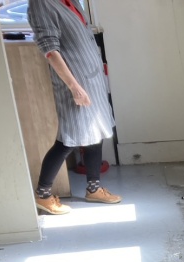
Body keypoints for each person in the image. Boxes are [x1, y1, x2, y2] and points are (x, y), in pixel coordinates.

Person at [28, 0, 121, 215]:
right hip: (75, 83)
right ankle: (43, 195)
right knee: (68, 139)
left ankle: (93, 189)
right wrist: (74, 87)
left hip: (92, 79)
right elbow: (50, 49)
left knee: (96, 133)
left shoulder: (72, 1)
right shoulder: (41, 3)